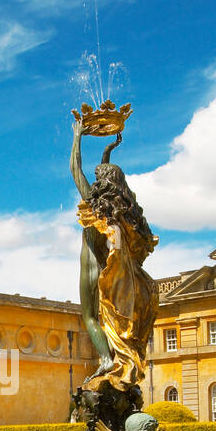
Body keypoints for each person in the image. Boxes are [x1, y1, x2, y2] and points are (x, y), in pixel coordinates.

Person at [70, 117, 158, 393]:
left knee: (90, 317)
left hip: (92, 267)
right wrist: (108, 151)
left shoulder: (92, 204)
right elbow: (106, 174)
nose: (94, 180)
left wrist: (77, 136)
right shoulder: (123, 213)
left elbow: (75, 168)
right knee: (110, 320)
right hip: (116, 273)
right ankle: (115, 362)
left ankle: (107, 360)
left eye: (98, 177)